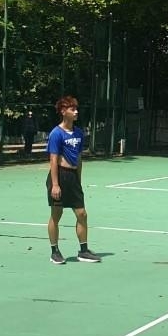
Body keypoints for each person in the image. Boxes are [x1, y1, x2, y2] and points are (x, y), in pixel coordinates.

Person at [46, 95, 100, 265]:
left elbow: (79, 158)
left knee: (82, 214)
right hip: (59, 176)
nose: (76, 112)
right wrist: (55, 184)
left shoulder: (78, 133)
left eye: (76, 109)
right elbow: (53, 160)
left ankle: (83, 251)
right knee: (57, 214)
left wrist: (78, 179)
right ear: (63, 111)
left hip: (73, 178)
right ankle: (55, 252)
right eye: (72, 109)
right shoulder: (56, 133)